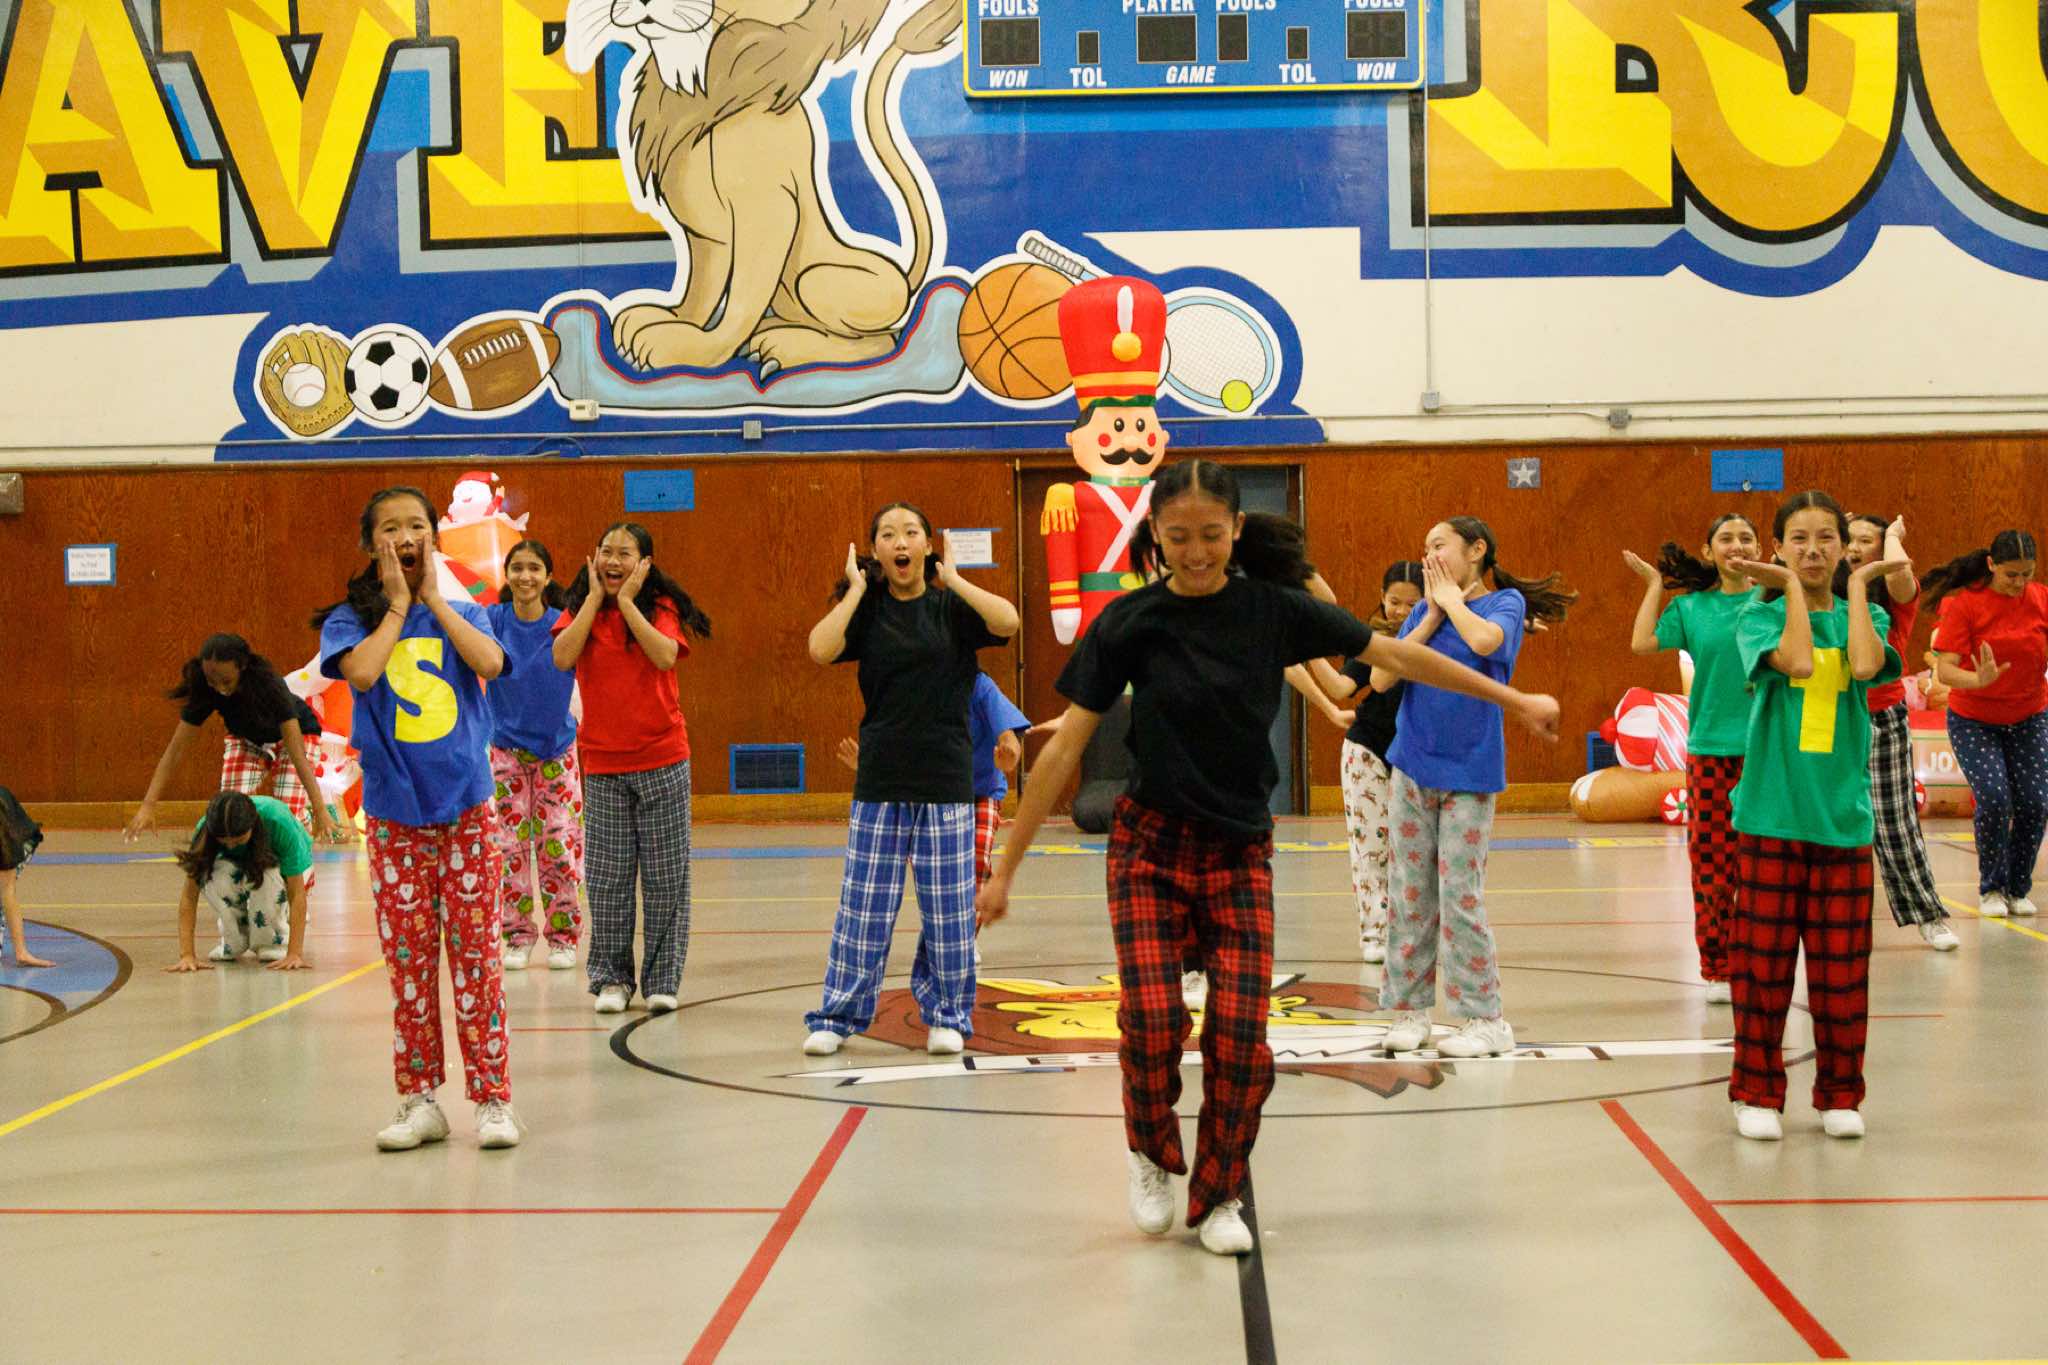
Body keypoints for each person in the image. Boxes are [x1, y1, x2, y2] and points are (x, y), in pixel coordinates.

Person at [976, 461, 1561, 1256]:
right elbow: (1063, 749)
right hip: (1149, 847)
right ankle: (1150, 1148)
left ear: (1237, 530)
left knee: (1240, 1033)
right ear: (1155, 536)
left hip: (1239, 847)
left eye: (1212, 535)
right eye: (1178, 537)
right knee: (1151, 1017)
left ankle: (1220, 1189)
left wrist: (1514, 699)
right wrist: (1006, 867)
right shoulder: (1129, 622)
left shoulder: (1271, 611)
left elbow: (1399, 658)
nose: (1196, 552)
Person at [315, 485, 520, 1151]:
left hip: (466, 811)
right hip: (395, 817)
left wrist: (434, 598)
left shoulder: (464, 611)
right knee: (409, 966)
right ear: (369, 543)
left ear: (434, 536)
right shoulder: (350, 621)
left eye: (415, 526)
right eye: (390, 528)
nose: (404, 537)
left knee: (477, 961)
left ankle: (492, 1100)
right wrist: (399, 604)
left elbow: (491, 662)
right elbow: (364, 674)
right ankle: (419, 1099)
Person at [802, 503, 1019, 1058]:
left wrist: (957, 581)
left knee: (948, 912)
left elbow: (1008, 622)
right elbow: (820, 649)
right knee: (864, 908)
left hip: (946, 783)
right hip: (881, 783)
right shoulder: (868, 610)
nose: (900, 542)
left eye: (911, 532)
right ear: (875, 550)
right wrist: (855, 590)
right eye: (887, 535)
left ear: (926, 545)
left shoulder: (952, 608)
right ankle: (838, 1015)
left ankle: (947, 1014)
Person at [1725, 490, 1901, 1142]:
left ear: (1845, 546)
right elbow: (1797, 661)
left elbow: (1865, 666)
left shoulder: (1867, 617)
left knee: (1842, 970)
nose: (1813, 550)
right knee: (1762, 968)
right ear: (1777, 548)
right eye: (1798, 538)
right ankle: (1756, 1093)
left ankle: (1840, 1093)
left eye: (1827, 537)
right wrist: (1793, 592)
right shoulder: (1757, 615)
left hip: (1842, 823)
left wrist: (1856, 588)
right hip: (1771, 818)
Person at [1375, 516, 1576, 1058]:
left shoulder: (1503, 604)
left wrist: (1453, 603)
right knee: (1409, 894)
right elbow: (1382, 677)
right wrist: (1430, 613)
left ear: (1476, 550)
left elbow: (1487, 642)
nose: (1429, 555)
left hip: (1470, 773)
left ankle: (1485, 1018)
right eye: (1425, 547)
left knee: (1459, 895)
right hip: (1411, 767)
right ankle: (1409, 1010)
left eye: (1439, 545)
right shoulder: (1423, 611)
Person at [551, 522, 711, 1014]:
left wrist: (625, 604)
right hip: (603, 764)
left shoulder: (659, 608)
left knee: (665, 877)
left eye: (625, 553)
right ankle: (612, 979)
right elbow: (561, 657)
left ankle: (662, 980)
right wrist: (594, 602)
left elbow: (665, 655)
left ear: (644, 563)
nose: (613, 561)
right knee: (607, 878)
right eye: (606, 552)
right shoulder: (579, 609)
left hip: (662, 759)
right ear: (593, 558)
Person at [1625, 514, 1762, 998]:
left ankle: (1763, 960)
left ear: (1760, 548)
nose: (1737, 545)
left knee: (1766, 865)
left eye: (1746, 538)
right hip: (1710, 752)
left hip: (1768, 753)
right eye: (1726, 538)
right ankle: (1718, 965)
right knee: (1713, 864)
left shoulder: (1776, 602)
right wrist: (1654, 587)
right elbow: (1642, 643)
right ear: (1708, 552)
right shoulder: (1692, 608)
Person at [837, 670, 1032, 968]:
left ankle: (964, 939)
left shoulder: (979, 686)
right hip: (935, 791)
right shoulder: (915, 687)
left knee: (977, 860)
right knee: (936, 873)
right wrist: (869, 767)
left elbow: (1009, 735)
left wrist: (1010, 755)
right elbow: (899, 746)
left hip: (981, 791)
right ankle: (942, 934)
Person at [1300, 561, 1425, 963]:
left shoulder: (1436, 638)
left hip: (1416, 753)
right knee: (1370, 846)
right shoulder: (1370, 640)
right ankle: (1375, 932)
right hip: (1367, 749)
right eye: (1394, 601)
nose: (1400, 611)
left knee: (1414, 847)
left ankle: (1413, 929)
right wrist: (1307, 649)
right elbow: (1341, 687)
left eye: (1411, 604)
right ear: (1382, 597)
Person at [1845, 514, 1957, 950]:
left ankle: (1928, 915)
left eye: (1866, 541)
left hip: (1881, 717)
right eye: (1849, 539)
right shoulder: (1826, 592)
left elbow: (1899, 574)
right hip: (1830, 715)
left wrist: (1892, 536)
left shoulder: (1895, 599)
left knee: (1894, 823)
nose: (1854, 548)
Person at [1925, 529, 2048, 919]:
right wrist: (1977, 680)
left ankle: (2017, 887)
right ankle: (1991, 887)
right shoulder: (1966, 605)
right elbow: (1945, 670)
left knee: (2035, 802)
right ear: (1992, 565)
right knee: (1995, 798)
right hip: (1974, 720)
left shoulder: (2041, 600)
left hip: (2029, 716)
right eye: (2011, 574)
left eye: (2027, 574)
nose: (2019, 583)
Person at [126, 634, 339, 843]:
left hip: (297, 735)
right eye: (212, 681)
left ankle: (305, 817)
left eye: (226, 681)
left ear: (242, 667)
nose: (220, 688)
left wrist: (319, 808)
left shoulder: (268, 683)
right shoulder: (204, 687)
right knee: (229, 813)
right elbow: (175, 750)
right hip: (247, 738)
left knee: (286, 817)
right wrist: (148, 806)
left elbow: (297, 754)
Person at [485, 540, 584, 972]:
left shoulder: (563, 623)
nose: (525, 576)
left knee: (558, 846)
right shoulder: (491, 620)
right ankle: (517, 936)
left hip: (555, 752)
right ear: (507, 575)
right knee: (508, 848)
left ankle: (563, 938)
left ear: (547, 577)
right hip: (505, 751)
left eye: (534, 568)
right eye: (517, 568)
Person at [162, 792, 311, 972]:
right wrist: (187, 955)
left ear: (252, 825)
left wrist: (294, 953)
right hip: (238, 865)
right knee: (213, 877)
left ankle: (274, 940)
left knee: (267, 879)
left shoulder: (278, 822)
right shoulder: (206, 829)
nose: (231, 846)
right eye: (223, 841)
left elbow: (296, 893)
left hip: (281, 869)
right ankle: (233, 941)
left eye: (238, 840)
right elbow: (189, 896)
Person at [0, 785, 54, 969]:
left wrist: (20, 951)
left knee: (4, 891)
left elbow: (7, 888)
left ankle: (21, 951)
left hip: (17, 840)